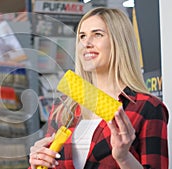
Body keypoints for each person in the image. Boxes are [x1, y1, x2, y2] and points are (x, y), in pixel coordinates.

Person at [29, 7, 169, 169]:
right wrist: (37, 163)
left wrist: (123, 157)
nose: (86, 43)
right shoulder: (65, 106)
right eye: (82, 36)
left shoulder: (148, 108)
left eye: (97, 34)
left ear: (119, 42)